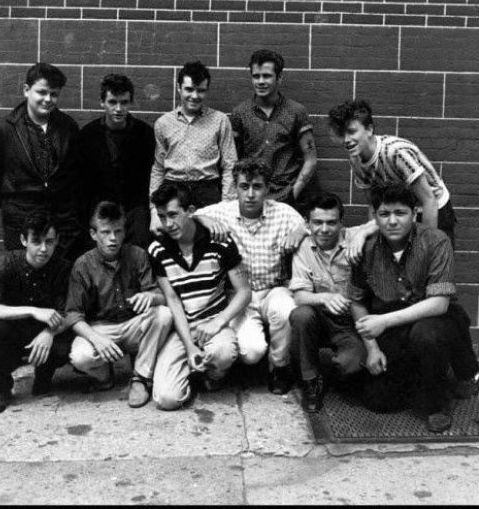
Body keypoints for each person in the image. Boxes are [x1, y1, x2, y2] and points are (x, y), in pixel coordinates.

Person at [348, 182, 479, 433]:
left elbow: (439, 303)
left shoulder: (436, 241)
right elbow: (356, 301)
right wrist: (372, 347)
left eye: (400, 213)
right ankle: (420, 373)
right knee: (379, 401)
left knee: (426, 336)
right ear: (375, 217)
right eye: (384, 214)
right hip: (393, 320)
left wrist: (383, 322)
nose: (392, 221)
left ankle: (435, 405)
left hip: (434, 316)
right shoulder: (366, 249)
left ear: (414, 213)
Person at [194, 158, 307, 395]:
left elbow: (308, 225)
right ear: (235, 188)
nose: (251, 194)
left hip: (272, 289)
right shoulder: (222, 211)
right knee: (251, 352)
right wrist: (206, 220)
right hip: (238, 295)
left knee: (285, 309)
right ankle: (238, 366)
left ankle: (279, 367)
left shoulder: (283, 213)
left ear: (267, 189)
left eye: (257, 187)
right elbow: (191, 216)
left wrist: (299, 232)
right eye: (244, 186)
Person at [148, 183, 251, 410]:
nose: (168, 224)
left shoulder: (220, 241)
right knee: (167, 399)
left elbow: (244, 292)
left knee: (222, 353)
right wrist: (190, 346)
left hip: (213, 323)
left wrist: (218, 322)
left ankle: (213, 375)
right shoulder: (157, 249)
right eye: (162, 217)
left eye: (173, 215)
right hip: (182, 326)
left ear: (190, 210)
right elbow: (173, 300)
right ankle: (193, 370)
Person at [64, 201, 173, 408]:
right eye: (105, 232)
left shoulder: (138, 255)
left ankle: (140, 377)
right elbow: (72, 315)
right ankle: (104, 377)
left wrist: (151, 297)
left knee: (164, 314)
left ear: (124, 231)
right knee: (80, 356)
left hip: (133, 325)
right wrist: (97, 339)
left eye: (118, 231)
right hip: (101, 328)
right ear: (93, 234)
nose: (113, 238)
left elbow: (160, 295)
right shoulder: (83, 265)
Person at [0, 62, 88, 260]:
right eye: (42, 92)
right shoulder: (4, 129)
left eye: (54, 94)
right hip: (20, 219)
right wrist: (11, 203)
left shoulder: (68, 127)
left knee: (60, 280)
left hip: (61, 222)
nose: (48, 99)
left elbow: (78, 174)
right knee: (23, 279)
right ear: (26, 90)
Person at [328, 98, 457, 255]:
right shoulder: (355, 159)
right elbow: (373, 205)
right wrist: (371, 239)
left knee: (434, 262)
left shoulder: (395, 153)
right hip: (401, 209)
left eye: (352, 132)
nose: (347, 140)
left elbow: (428, 200)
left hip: (432, 206)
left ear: (369, 129)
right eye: (343, 134)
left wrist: (427, 250)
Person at [0, 211, 75, 415]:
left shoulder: (62, 268)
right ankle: (2, 388)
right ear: (24, 240)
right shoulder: (8, 263)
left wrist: (48, 334)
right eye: (36, 241)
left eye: (49, 242)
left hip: (47, 333)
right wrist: (33, 311)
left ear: (56, 240)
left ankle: (45, 373)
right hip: (16, 332)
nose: (43, 248)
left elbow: (69, 312)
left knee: (67, 344)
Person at [288, 192, 371, 413]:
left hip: (347, 322)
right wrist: (324, 297)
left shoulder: (353, 237)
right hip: (318, 318)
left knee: (351, 366)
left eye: (331, 223)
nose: (324, 229)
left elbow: (381, 223)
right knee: (301, 315)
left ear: (341, 223)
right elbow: (299, 296)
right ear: (308, 223)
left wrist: (363, 234)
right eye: (317, 223)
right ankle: (310, 381)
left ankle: (336, 367)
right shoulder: (303, 247)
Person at [149, 60, 237, 235]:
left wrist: (226, 209)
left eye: (201, 90)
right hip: (172, 190)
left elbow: (230, 165)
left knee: (209, 243)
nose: (195, 96)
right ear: (179, 88)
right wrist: (153, 211)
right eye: (189, 89)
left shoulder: (220, 121)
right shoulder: (163, 123)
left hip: (207, 192)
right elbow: (158, 168)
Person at [230, 49, 317, 208]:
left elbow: (310, 159)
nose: (261, 81)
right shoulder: (239, 114)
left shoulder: (296, 112)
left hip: (286, 195)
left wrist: (293, 194)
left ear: (280, 78)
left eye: (267, 76)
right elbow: (232, 160)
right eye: (256, 76)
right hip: (253, 194)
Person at [79, 74, 156, 249]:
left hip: (135, 213)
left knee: (137, 260)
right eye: (112, 102)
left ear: (131, 102)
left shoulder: (145, 134)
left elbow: (153, 177)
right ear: (102, 102)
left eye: (124, 102)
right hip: (100, 212)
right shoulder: (87, 136)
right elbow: (81, 185)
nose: (118, 108)